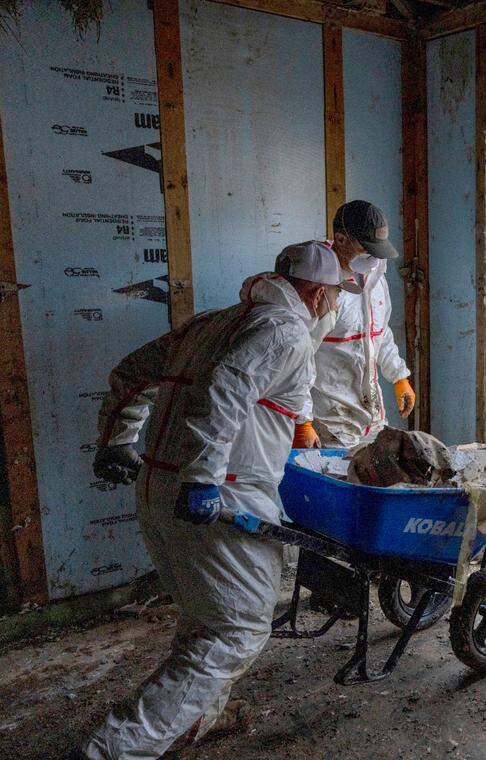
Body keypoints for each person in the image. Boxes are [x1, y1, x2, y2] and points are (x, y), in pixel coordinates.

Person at [79, 242, 344, 759]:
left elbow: (132, 373)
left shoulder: (212, 322)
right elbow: (225, 389)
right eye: (333, 295)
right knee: (236, 630)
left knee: (207, 620)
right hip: (218, 498)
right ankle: (110, 751)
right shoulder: (283, 330)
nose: (333, 306)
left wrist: (117, 441)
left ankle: (192, 724)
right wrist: (202, 477)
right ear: (315, 293)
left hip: (160, 489)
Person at [293, 200, 415, 450]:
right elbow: (297, 360)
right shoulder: (317, 286)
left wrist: (398, 376)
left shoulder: (376, 276)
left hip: (371, 416)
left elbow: (380, 332)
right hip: (329, 421)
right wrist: (302, 420)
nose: (375, 257)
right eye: (367, 248)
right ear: (340, 239)